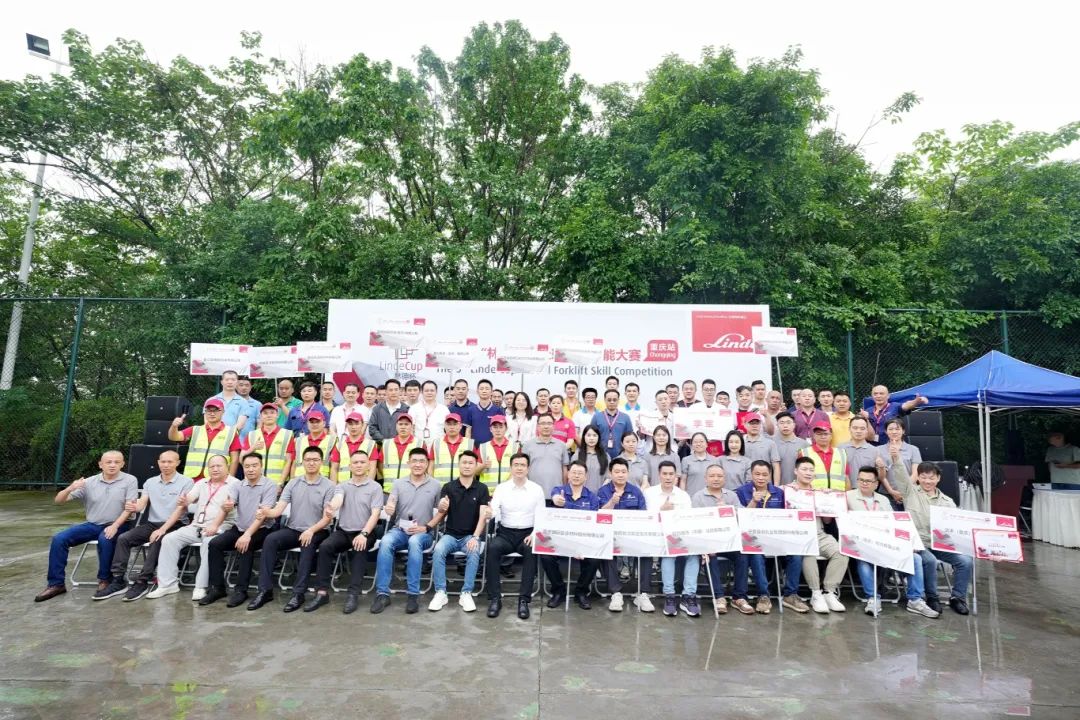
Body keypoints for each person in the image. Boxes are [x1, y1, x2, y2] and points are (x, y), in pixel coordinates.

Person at [34, 451, 138, 602]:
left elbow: (129, 509)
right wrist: (70, 488)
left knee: (105, 538)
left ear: (122, 464)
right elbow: (59, 501)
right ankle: (56, 584)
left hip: (120, 524)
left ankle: (105, 580)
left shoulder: (130, 480)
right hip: (93, 524)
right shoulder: (89, 482)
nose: (112, 465)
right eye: (108, 462)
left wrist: (115, 526)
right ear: (100, 464)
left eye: (117, 462)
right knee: (59, 539)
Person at [247, 447, 336, 612]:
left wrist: (311, 531)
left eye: (315, 460)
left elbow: (327, 518)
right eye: (308, 460)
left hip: (317, 530)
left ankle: (298, 593)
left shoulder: (329, 486)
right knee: (270, 540)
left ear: (322, 462)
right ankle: (265, 590)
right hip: (294, 529)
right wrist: (266, 512)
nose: (311, 463)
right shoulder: (293, 483)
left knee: (307, 543)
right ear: (302, 462)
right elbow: (278, 510)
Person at [96, 450, 193, 601]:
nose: (166, 465)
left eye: (170, 462)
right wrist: (134, 507)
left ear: (177, 463)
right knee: (123, 538)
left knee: (157, 539)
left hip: (176, 524)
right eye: (163, 461)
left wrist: (162, 529)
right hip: (152, 523)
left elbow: (180, 510)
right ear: (158, 463)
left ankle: (142, 581)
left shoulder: (186, 482)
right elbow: (142, 504)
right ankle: (118, 579)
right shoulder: (150, 482)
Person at [848, 463, 940, 618]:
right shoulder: (847, 497)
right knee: (863, 558)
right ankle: (873, 598)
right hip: (861, 544)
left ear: (876, 484)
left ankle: (915, 600)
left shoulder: (883, 500)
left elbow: (894, 523)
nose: (864, 483)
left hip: (885, 543)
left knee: (915, 558)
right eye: (861, 480)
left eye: (868, 481)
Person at [147, 454, 240, 601]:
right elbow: (189, 499)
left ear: (227, 467)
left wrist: (215, 526)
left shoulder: (235, 484)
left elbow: (228, 509)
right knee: (169, 539)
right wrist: (184, 501)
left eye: (219, 466)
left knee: (208, 543)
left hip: (223, 525)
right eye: (212, 466)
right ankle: (167, 585)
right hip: (197, 525)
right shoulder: (202, 483)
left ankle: (201, 586)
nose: (215, 469)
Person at [303, 450, 384, 614]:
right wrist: (331, 507)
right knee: (325, 547)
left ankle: (353, 594)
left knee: (359, 548)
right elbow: (338, 499)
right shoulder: (342, 486)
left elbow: (375, 514)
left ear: (368, 466)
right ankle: (322, 592)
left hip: (365, 531)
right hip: (344, 531)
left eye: (362, 462)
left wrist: (364, 534)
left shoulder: (375, 487)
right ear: (350, 466)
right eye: (355, 462)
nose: (359, 465)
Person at [890, 459, 973, 615]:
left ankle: (958, 598)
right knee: (930, 560)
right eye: (923, 477)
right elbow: (900, 475)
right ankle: (932, 597)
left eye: (931, 478)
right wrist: (895, 458)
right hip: (918, 544)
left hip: (940, 544)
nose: (927, 481)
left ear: (938, 478)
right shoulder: (910, 492)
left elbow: (956, 527)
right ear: (918, 478)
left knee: (966, 561)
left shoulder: (948, 502)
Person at [201, 451, 279, 608]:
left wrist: (247, 534)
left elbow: (263, 515)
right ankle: (217, 588)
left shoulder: (270, 485)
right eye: (247, 466)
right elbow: (227, 506)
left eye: (254, 465)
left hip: (262, 529)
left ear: (261, 466)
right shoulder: (238, 485)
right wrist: (216, 523)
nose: (250, 469)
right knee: (214, 544)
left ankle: (241, 590)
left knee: (245, 546)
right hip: (240, 527)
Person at [371, 448, 441, 614]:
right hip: (400, 530)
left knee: (415, 541)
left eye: (422, 461)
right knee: (386, 542)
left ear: (427, 464)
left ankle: (413, 594)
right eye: (414, 461)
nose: (418, 464)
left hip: (423, 533)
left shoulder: (435, 485)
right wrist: (389, 508)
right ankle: (382, 594)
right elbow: (391, 504)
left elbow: (441, 512)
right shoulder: (398, 484)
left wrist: (426, 527)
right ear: (408, 463)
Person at [735, 461, 810, 613]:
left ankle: (790, 595)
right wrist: (754, 501)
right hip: (753, 538)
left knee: (796, 553)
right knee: (755, 554)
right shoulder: (741, 492)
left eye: (764, 474)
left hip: (776, 537)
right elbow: (740, 518)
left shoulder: (779, 492)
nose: (761, 478)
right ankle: (763, 595)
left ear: (770, 475)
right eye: (757, 474)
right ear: (751, 474)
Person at [427, 451, 490, 613]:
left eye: (471, 463)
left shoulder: (482, 488)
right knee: (438, 550)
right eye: (464, 462)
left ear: (475, 466)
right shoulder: (449, 487)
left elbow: (483, 515)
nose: (467, 466)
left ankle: (466, 593)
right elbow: (442, 510)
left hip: (470, 535)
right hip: (450, 535)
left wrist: (475, 537)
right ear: (459, 465)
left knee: (473, 550)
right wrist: (442, 506)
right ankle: (441, 592)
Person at [486, 453, 546, 619]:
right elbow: (494, 510)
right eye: (516, 465)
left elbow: (542, 516)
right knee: (492, 548)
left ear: (528, 468)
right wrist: (489, 513)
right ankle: (495, 598)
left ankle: (524, 600)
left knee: (531, 550)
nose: (519, 468)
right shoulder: (502, 488)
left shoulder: (536, 489)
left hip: (527, 534)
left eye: (523, 465)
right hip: (505, 533)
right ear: (511, 468)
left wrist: (534, 534)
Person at [542, 462, 605, 610]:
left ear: (586, 477)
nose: (576, 476)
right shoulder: (559, 490)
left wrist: (578, 545)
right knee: (545, 555)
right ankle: (558, 590)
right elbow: (555, 497)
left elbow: (593, 525)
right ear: (568, 475)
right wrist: (557, 500)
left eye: (580, 473)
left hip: (583, 539)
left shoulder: (592, 498)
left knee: (595, 558)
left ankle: (581, 592)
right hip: (560, 538)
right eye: (573, 472)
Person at [789, 457, 848, 614]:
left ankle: (829, 592)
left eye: (811, 470)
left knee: (841, 551)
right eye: (804, 469)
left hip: (819, 534)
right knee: (809, 552)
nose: (808, 473)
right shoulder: (787, 490)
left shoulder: (819, 492)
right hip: (798, 536)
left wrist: (827, 501)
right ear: (795, 471)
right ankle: (815, 593)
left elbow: (827, 521)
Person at [643, 460, 699, 617]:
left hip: (679, 536)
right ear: (659, 475)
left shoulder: (683, 495)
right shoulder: (649, 493)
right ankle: (670, 595)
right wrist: (661, 510)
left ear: (676, 476)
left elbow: (688, 520)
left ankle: (688, 596)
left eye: (671, 474)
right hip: (656, 536)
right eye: (665, 474)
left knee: (694, 553)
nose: (668, 477)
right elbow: (645, 520)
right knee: (669, 552)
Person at [597, 458, 653, 612]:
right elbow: (599, 516)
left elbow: (643, 516)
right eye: (617, 471)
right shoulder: (603, 491)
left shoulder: (636, 491)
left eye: (623, 471)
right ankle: (616, 593)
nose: (620, 475)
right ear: (610, 473)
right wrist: (612, 503)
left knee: (646, 552)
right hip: (611, 535)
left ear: (628, 473)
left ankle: (642, 594)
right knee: (606, 550)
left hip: (633, 535)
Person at [694, 464, 740, 614]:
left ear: (724, 478)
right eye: (712, 476)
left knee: (743, 555)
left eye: (719, 476)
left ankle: (739, 597)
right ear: (705, 478)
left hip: (728, 541)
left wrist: (727, 510)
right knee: (710, 556)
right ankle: (719, 597)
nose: (716, 479)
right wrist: (705, 545)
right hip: (708, 542)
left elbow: (741, 518)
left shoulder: (731, 496)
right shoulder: (698, 497)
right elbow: (695, 523)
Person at [169, 397, 242, 479]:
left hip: (217, 478)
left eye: (215, 410)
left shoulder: (231, 432)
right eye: (208, 410)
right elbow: (173, 437)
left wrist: (230, 479)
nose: (212, 413)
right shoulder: (195, 429)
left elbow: (235, 459)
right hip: (192, 478)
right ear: (205, 412)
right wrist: (174, 426)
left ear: (223, 412)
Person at [242, 402, 295, 485]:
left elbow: (289, 461)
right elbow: (241, 459)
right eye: (265, 413)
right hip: (254, 482)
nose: (269, 415)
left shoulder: (287, 434)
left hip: (277, 483)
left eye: (272, 412)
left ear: (277, 415)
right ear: (261, 416)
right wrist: (252, 448)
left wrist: (280, 483)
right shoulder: (251, 435)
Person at [520, 414, 570, 495]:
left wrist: (564, 489)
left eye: (549, 423)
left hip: (556, 494)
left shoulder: (561, 445)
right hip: (533, 493)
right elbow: (523, 468)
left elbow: (564, 469)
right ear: (537, 426)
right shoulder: (527, 445)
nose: (546, 426)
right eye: (543, 423)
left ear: (554, 426)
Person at [875, 418, 921, 504]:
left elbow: (916, 473)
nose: (894, 432)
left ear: (903, 431)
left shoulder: (913, 449)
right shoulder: (878, 450)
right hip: (887, 494)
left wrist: (905, 490)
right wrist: (891, 491)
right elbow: (881, 475)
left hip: (910, 492)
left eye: (897, 429)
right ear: (886, 431)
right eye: (890, 429)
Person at [863, 385, 929, 445]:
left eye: (881, 393)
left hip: (891, 446)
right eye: (875, 394)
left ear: (888, 396)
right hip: (871, 446)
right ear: (872, 396)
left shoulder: (895, 406)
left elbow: (906, 405)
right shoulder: (868, 410)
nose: (878, 396)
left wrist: (916, 402)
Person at [329, 411, 379, 483]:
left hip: (363, 485)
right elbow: (334, 468)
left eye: (357, 423)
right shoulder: (339, 445)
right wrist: (335, 487)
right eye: (350, 424)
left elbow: (372, 468)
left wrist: (368, 486)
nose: (353, 427)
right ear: (346, 425)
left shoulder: (370, 444)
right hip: (343, 485)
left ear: (362, 425)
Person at [798, 422, 849, 489]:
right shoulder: (804, 453)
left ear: (831, 436)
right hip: (813, 494)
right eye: (819, 434)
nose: (823, 437)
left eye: (826, 434)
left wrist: (847, 494)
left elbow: (846, 478)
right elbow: (800, 477)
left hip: (837, 494)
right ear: (814, 436)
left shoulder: (841, 453)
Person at [429, 413, 475, 485]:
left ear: (460, 426)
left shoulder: (469, 443)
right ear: (444, 426)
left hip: (463, 487)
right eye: (449, 424)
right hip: (440, 487)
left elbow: (474, 467)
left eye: (455, 424)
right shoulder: (436, 443)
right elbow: (431, 467)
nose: (452, 427)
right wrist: (432, 485)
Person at [380, 413, 423, 487]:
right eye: (400, 424)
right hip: (389, 489)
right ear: (396, 426)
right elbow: (380, 465)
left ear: (412, 426)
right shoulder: (386, 444)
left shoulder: (420, 443)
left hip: (411, 489)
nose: (403, 427)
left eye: (406, 424)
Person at [592, 389, 635, 460]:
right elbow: (592, 436)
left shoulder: (625, 417)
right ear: (605, 400)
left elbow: (630, 437)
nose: (612, 402)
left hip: (621, 455)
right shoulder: (597, 417)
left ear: (618, 401)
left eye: (614, 400)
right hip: (600, 455)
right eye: (609, 400)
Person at [840, 416, 881, 489]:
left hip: (865, 490)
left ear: (867, 430)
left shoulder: (874, 451)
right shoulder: (840, 448)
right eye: (855, 428)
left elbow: (880, 477)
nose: (858, 431)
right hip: (843, 490)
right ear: (849, 429)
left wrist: (882, 467)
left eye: (862, 428)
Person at [292, 412, 335, 479]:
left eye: (317, 422)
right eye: (312, 422)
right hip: (300, 480)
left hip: (322, 481)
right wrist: (292, 482)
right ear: (307, 424)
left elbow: (334, 466)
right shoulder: (298, 441)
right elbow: (294, 464)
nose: (314, 424)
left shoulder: (332, 441)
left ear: (324, 423)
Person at [478, 415, 515, 490]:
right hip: (486, 492)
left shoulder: (515, 447)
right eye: (495, 427)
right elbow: (475, 472)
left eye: (501, 427)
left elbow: (517, 471)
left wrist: (505, 488)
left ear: (506, 428)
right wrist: (483, 466)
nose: (498, 430)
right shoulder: (483, 447)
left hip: (508, 491)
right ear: (490, 429)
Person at [742, 413, 781, 483]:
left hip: (765, 484)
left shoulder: (770, 443)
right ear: (744, 424)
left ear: (761, 425)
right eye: (751, 423)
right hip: (745, 484)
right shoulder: (739, 443)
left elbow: (776, 466)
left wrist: (776, 486)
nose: (754, 426)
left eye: (757, 423)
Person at [409, 377, 449, 446]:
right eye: (426, 391)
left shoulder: (444, 409)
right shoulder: (414, 408)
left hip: (439, 446)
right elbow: (411, 429)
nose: (429, 393)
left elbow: (448, 429)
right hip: (419, 445)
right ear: (422, 392)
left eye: (432, 390)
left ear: (436, 392)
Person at [368, 378, 410, 443]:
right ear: (386, 391)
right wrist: (383, 440)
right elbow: (372, 427)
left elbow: (409, 428)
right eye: (391, 390)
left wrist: (397, 441)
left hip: (400, 444)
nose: (393, 392)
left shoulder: (406, 409)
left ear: (399, 391)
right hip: (381, 444)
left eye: (396, 390)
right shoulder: (377, 408)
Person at [774, 412, 809, 485]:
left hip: (797, 487)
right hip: (776, 487)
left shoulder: (804, 445)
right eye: (781, 423)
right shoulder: (772, 444)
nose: (785, 426)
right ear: (777, 425)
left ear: (794, 425)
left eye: (788, 422)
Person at [214, 370, 252, 435]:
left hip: (233, 437)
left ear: (237, 382)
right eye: (227, 379)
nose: (230, 382)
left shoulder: (243, 402)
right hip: (214, 436)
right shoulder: (212, 400)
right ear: (222, 382)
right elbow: (207, 422)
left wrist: (225, 435)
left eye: (233, 380)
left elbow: (240, 425)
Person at [574, 426, 610, 492]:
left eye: (594, 435)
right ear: (584, 437)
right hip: (580, 495)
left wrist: (602, 492)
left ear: (598, 437)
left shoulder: (605, 456)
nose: (591, 438)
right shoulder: (577, 455)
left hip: (600, 495)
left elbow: (609, 477)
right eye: (588, 435)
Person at [470, 379, 503, 446]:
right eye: (481, 389)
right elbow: (468, 430)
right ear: (477, 391)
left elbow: (502, 429)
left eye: (487, 389)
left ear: (491, 392)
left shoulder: (498, 410)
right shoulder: (471, 409)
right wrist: (469, 446)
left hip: (492, 447)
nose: (484, 391)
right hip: (475, 447)